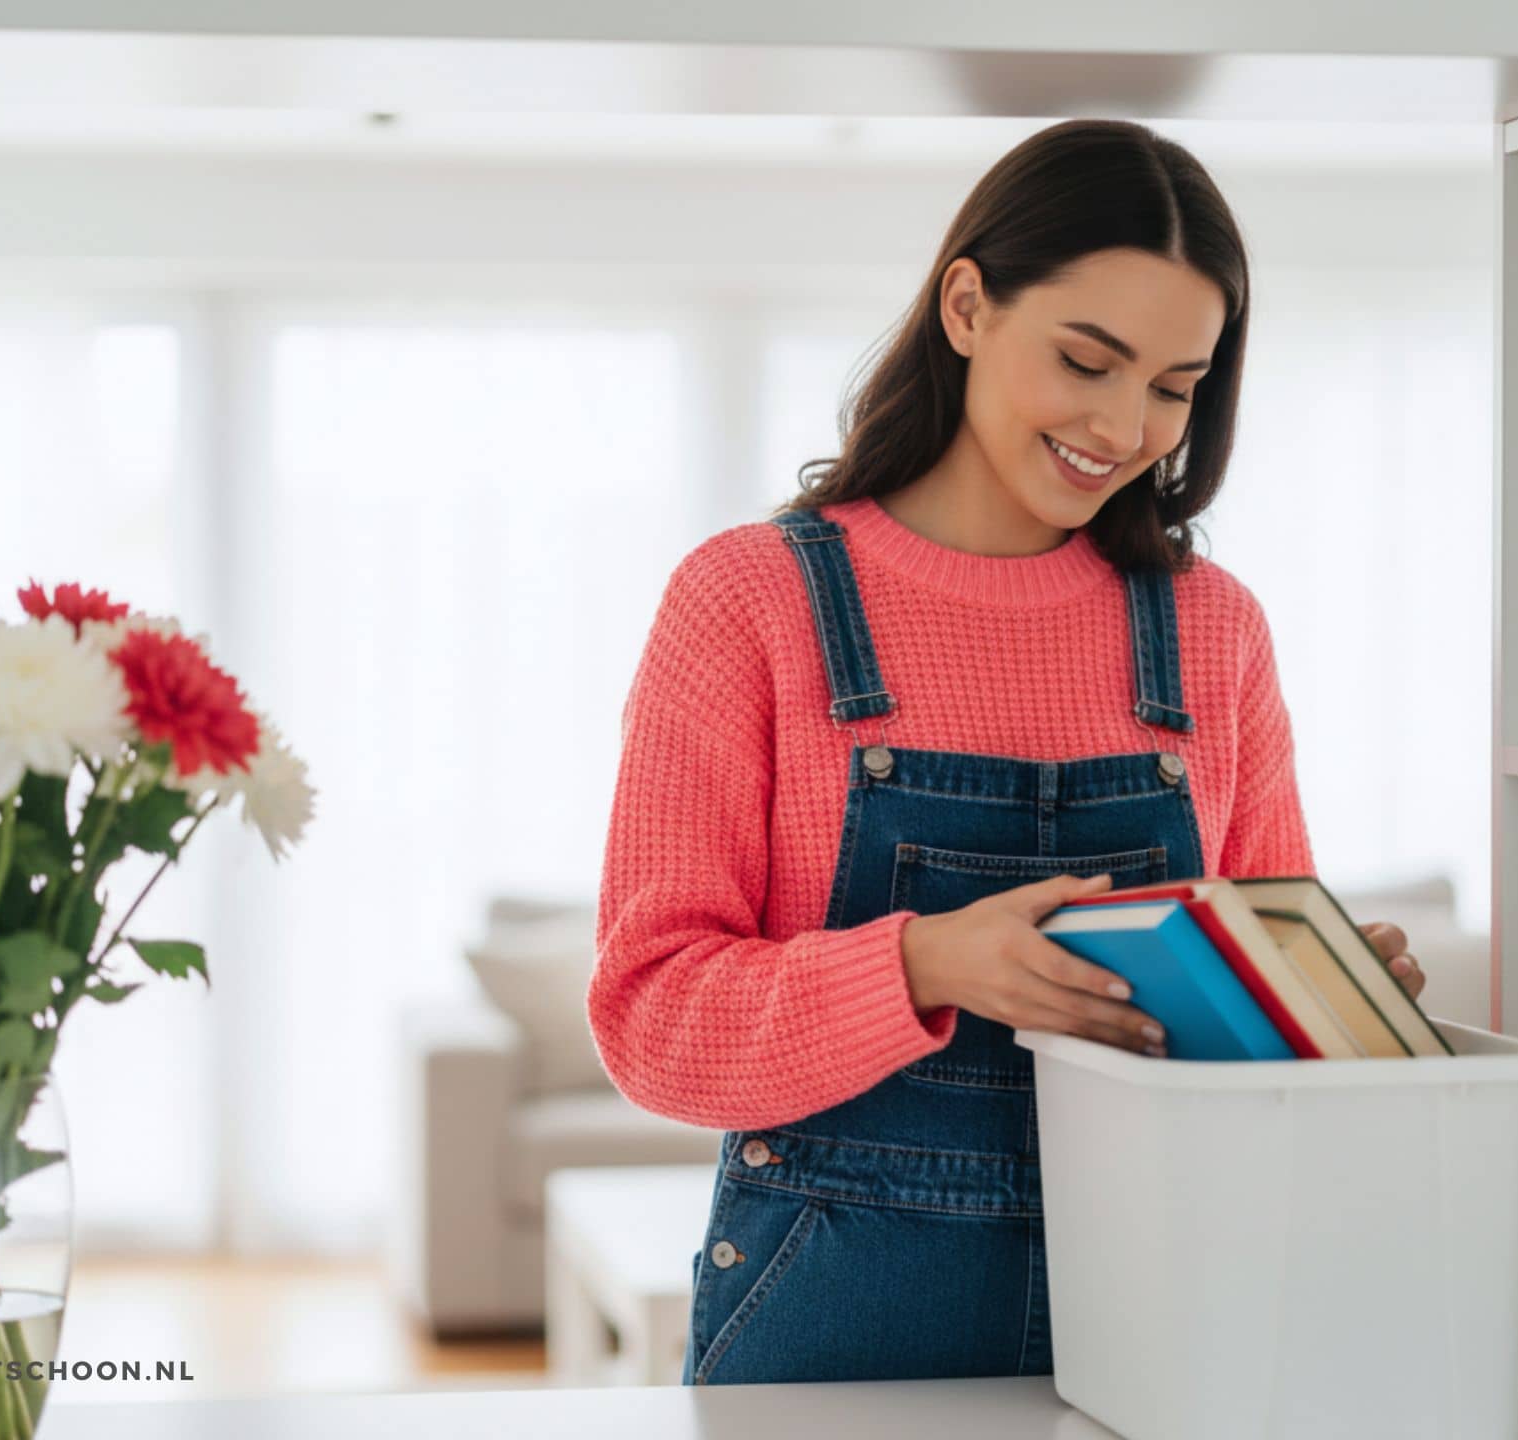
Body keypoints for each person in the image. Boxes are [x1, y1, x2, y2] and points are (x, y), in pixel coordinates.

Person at [585, 117, 1427, 1388]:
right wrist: (925, 962)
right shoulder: (749, 601)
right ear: (967, 306)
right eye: (1087, 360)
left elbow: (1256, 1082)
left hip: (1172, 1318)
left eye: (1174, 388)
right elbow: (652, 1021)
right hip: (836, 1329)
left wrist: (1324, 1004)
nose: (1125, 427)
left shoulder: (1215, 632)